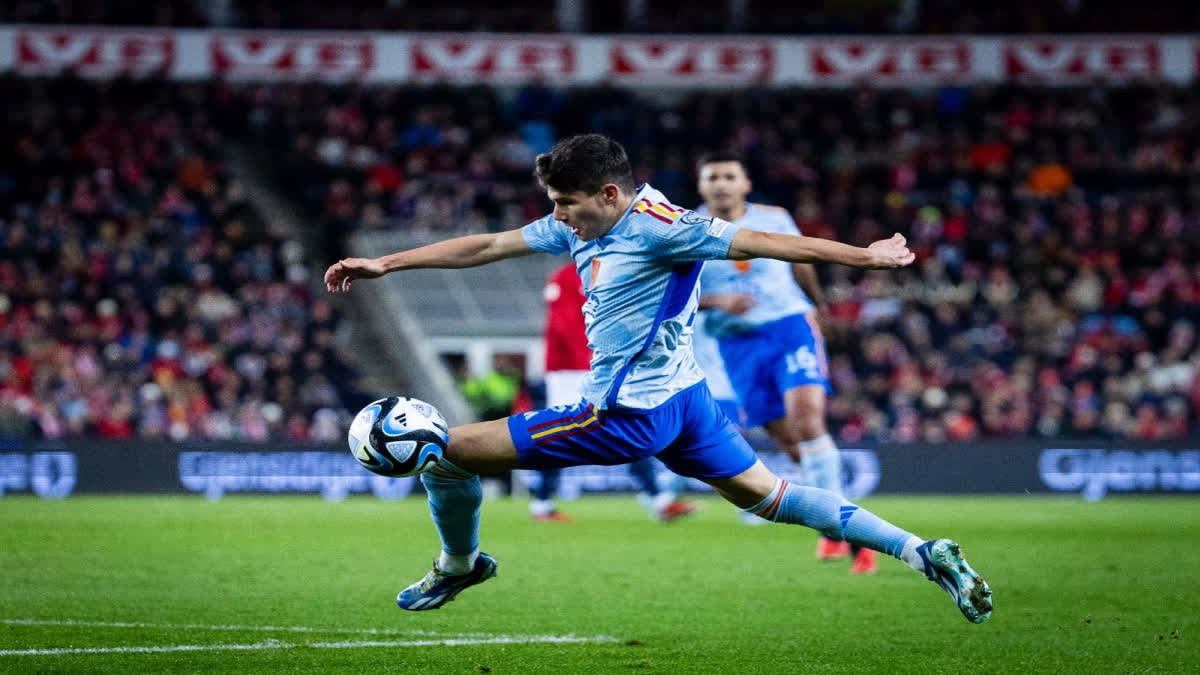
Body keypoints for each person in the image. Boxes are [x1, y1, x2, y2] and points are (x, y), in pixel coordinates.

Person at [324, 134, 992, 623]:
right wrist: (389, 263)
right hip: (686, 401)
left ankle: (459, 565)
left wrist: (865, 257)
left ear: (608, 194)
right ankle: (920, 550)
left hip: (624, 411)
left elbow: (767, 242)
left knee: (444, 449)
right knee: (769, 494)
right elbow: (489, 245)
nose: (558, 216)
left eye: (566, 204)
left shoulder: (664, 229)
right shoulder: (581, 224)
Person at [695, 151, 876, 574]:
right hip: (736, 344)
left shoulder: (774, 217)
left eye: (728, 176)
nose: (721, 183)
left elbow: (801, 260)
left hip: (789, 326)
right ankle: (844, 522)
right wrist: (717, 300)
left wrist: (820, 307)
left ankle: (840, 534)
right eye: (713, 177)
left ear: (745, 184)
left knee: (809, 421)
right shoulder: (685, 226)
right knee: (792, 443)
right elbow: (669, 289)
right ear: (701, 187)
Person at [530, 261, 698, 523]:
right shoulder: (569, 275)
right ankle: (542, 503)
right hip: (571, 370)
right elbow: (565, 325)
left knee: (626, 424)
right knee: (560, 433)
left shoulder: (605, 267)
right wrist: (595, 363)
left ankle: (656, 498)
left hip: (593, 365)